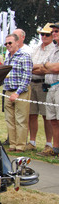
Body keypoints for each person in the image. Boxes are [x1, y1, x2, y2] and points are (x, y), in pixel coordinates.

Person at [26, 24, 56, 155]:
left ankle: (49, 143)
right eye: (42, 34)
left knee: (47, 116)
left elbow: (47, 69)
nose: (44, 36)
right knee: (31, 114)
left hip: (45, 83)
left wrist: (41, 67)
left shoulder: (53, 49)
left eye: (47, 34)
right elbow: (29, 66)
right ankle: (32, 142)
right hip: (32, 83)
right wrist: (42, 66)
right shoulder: (36, 48)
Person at [3, 33, 33, 152]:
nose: (8, 45)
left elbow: (27, 76)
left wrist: (18, 92)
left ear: (17, 43)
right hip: (8, 90)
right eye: (6, 43)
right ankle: (12, 144)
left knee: (21, 120)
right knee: (9, 119)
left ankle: (20, 145)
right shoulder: (7, 57)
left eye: (10, 43)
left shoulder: (24, 56)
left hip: (21, 92)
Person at [43, 22, 59, 157]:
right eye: (53, 31)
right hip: (51, 87)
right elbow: (44, 66)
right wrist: (48, 65)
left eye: (57, 31)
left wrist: (48, 66)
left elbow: (55, 68)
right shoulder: (53, 49)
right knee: (53, 120)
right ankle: (56, 148)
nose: (54, 33)